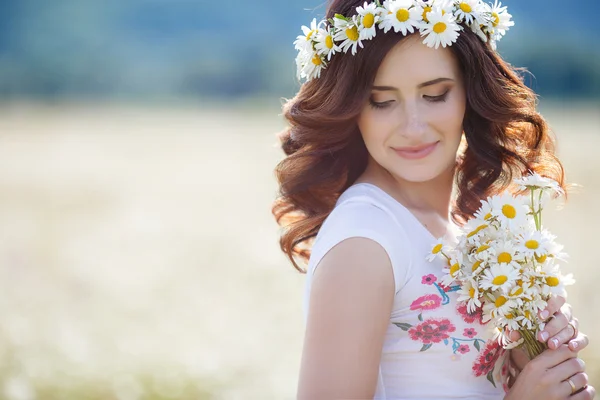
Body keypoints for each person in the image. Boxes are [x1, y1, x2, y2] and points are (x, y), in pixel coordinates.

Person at [272, 0, 595, 398]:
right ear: (353, 109)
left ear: (470, 93)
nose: (413, 126)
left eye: (435, 95)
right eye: (382, 101)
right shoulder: (365, 242)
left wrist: (525, 357)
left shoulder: (459, 224)